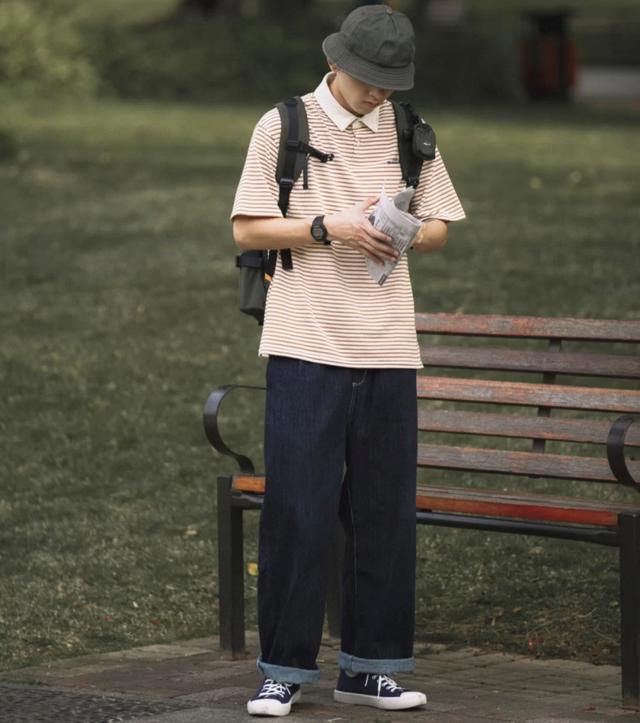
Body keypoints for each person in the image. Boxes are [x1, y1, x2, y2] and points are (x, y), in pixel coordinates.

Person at [231, 4, 465, 717]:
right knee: (298, 512)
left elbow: (441, 228)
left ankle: (371, 668)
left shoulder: (409, 130)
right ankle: (283, 670)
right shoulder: (284, 125)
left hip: (388, 346)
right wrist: (330, 226)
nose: (378, 93)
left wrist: (401, 228)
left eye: (390, 83)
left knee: (383, 514)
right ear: (335, 62)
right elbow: (247, 229)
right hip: (305, 343)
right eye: (369, 80)